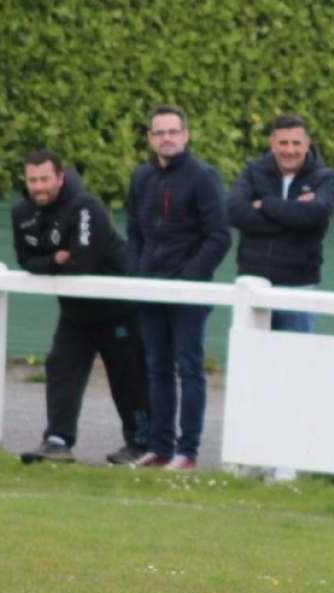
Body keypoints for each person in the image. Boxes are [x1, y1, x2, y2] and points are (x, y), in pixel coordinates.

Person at [11, 150, 149, 465]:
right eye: (32, 180)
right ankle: (57, 441)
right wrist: (56, 258)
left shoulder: (86, 207)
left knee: (128, 380)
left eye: (44, 179)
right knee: (60, 368)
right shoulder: (21, 212)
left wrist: (53, 260)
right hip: (75, 314)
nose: (38, 186)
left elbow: (82, 262)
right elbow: (25, 260)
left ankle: (141, 444)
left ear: (60, 177)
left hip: (119, 310)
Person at [125, 105, 230, 470]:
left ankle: (188, 452)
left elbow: (218, 237)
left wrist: (188, 280)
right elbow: (135, 233)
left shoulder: (204, 177)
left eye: (173, 131)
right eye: (159, 132)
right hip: (150, 291)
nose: (167, 138)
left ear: (185, 135)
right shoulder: (141, 178)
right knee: (156, 368)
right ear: (150, 138)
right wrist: (138, 276)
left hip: (190, 294)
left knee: (189, 368)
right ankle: (159, 448)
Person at [227, 114, 334, 332]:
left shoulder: (324, 178)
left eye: (296, 143)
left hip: (298, 286)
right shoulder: (252, 171)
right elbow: (234, 211)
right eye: (283, 143)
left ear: (307, 144)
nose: (290, 150)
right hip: (252, 284)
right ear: (272, 144)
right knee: (252, 361)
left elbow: (314, 215)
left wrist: (267, 205)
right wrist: (293, 215)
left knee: (294, 364)